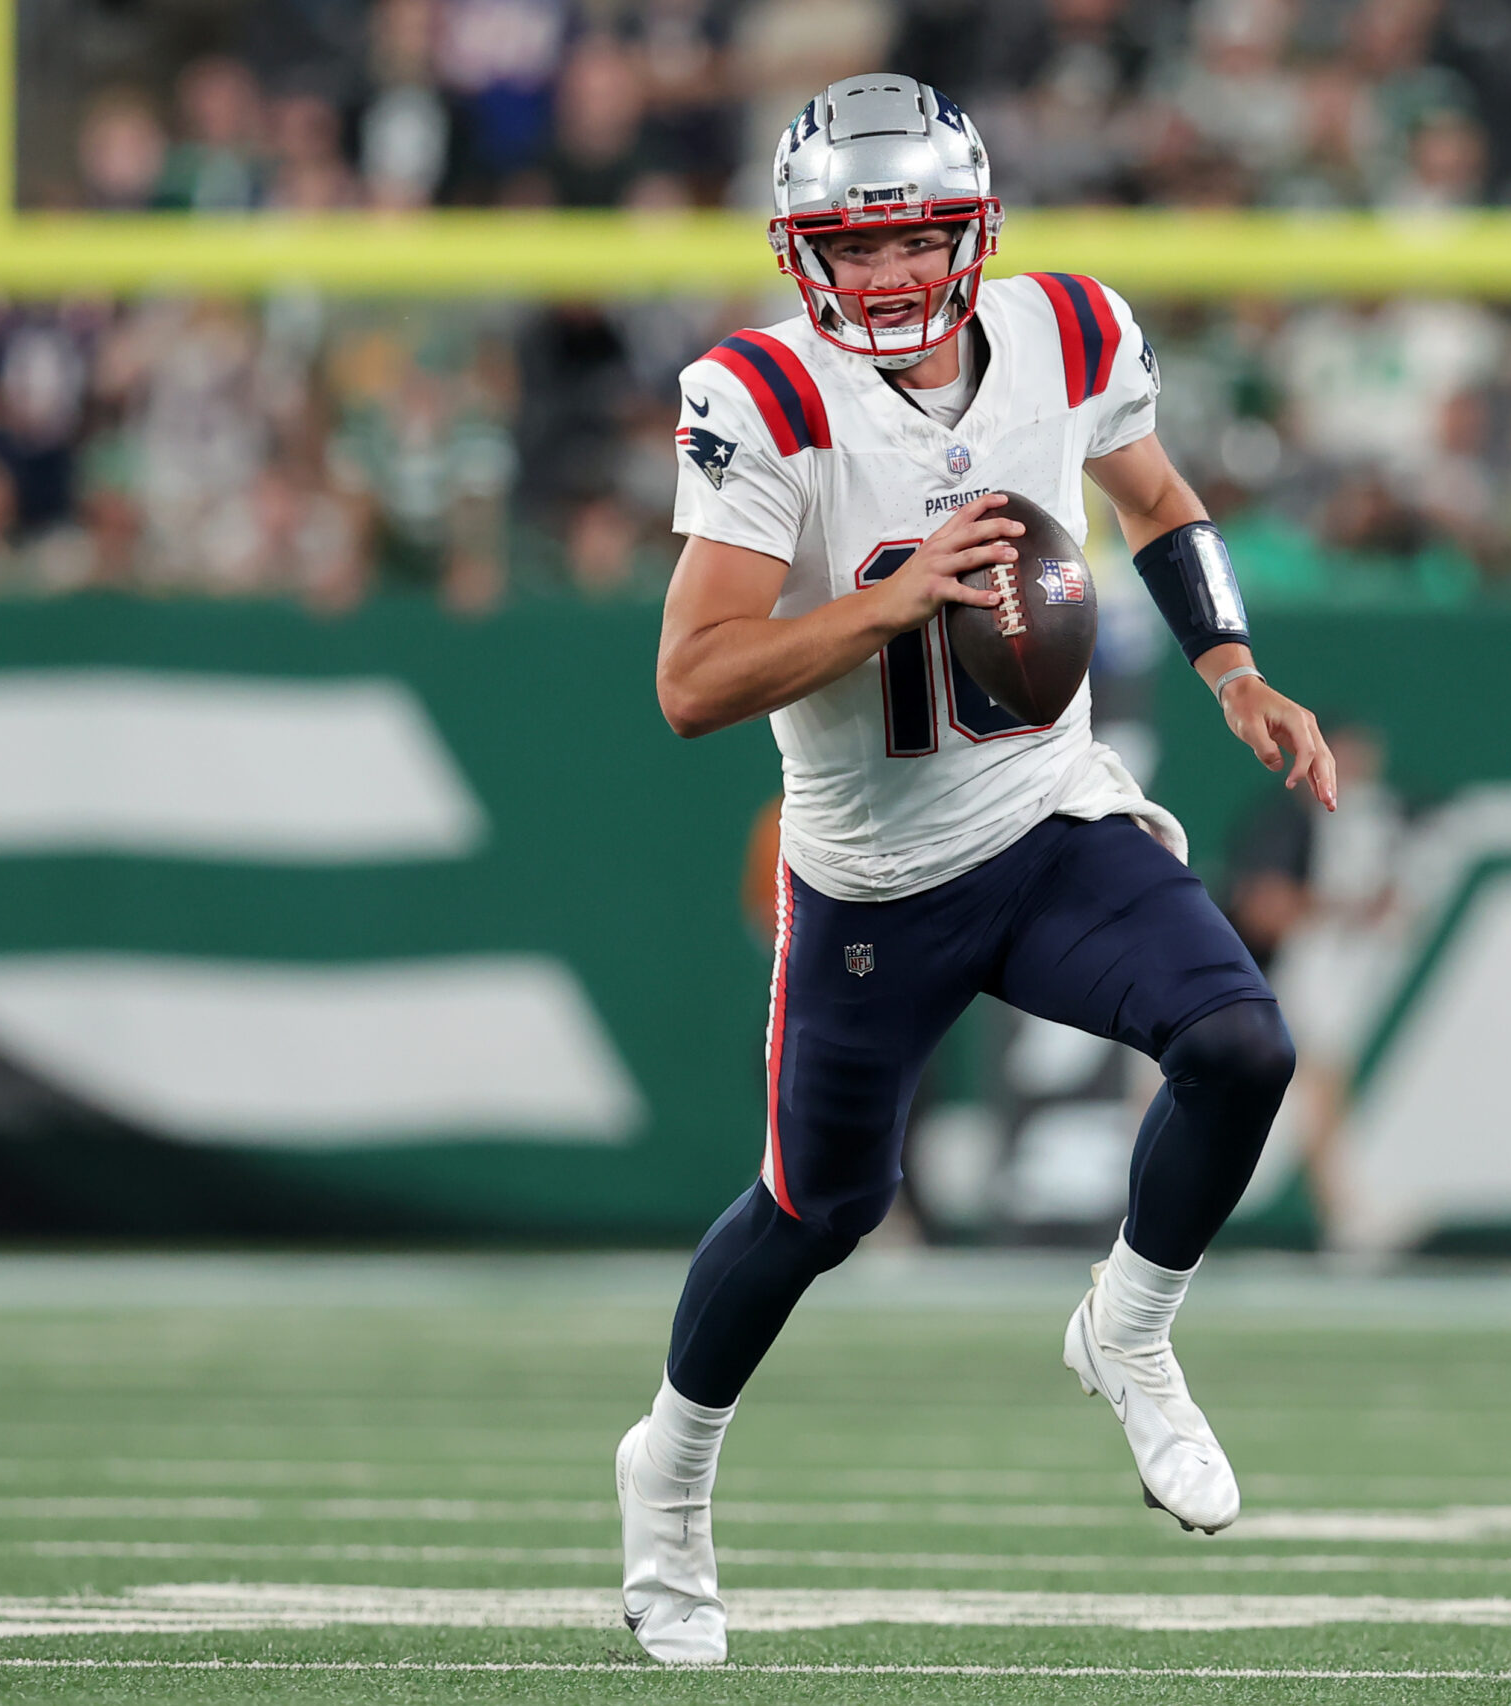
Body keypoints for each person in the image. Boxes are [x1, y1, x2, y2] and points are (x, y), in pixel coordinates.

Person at [617, 74, 1334, 1667]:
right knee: (820, 1208)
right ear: (800, 254)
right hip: (873, 879)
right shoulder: (769, 397)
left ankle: (1130, 1333)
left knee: (1240, 1042)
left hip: (1050, 816)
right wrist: (890, 602)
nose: (879, 277)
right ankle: (668, 1468)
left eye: (911, 241)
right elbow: (690, 683)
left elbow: (1155, 495)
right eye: (844, 248)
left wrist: (1228, 665)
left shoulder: (1071, 332)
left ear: (974, 233)